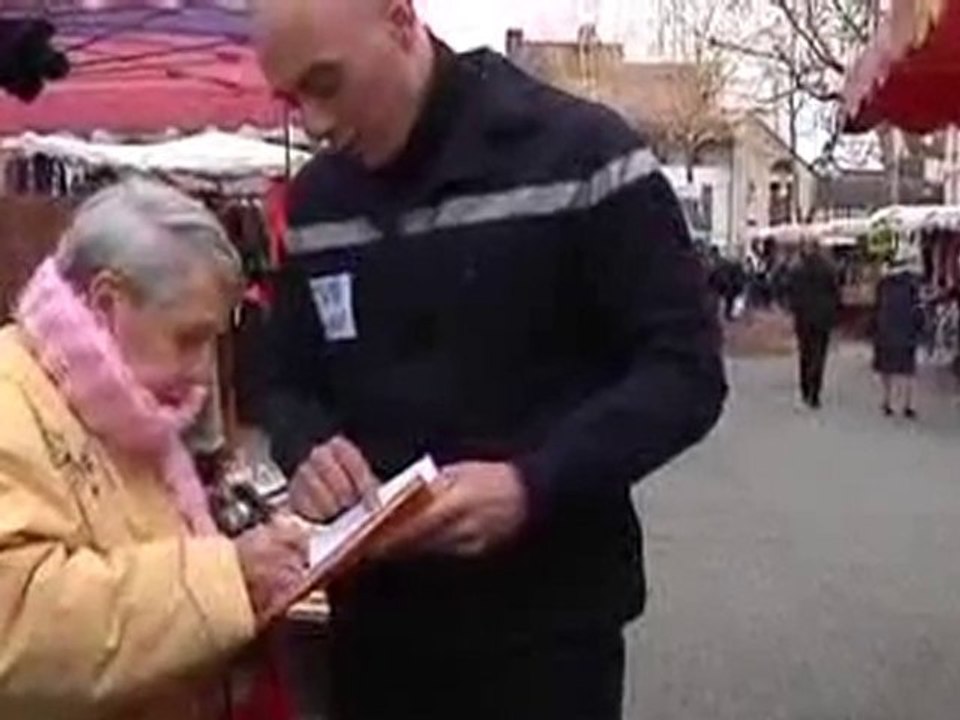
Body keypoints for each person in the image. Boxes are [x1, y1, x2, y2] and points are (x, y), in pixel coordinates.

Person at [252, 2, 727, 719]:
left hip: (546, 637)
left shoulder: (583, 154)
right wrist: (307, 447)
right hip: (375, 636)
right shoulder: (316, 202)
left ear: (399, 19)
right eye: (292, 100)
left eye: (325, 83)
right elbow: (285, 380)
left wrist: (532, 483)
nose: (314, 123)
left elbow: (685, 369)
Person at [0, 179, 308, 720]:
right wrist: (227, 579)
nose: (203, 373)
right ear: (106, 303)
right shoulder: (12, 400)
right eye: (188, 339)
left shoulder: (118, 406)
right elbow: (17, 629)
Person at [787, 240, 841, 409]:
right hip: (823, 317)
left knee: (805, 353)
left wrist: (794, 309)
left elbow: (791, 291)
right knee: (819, 354)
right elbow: (836, 292)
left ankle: (805, 389)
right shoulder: (829, 268)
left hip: (803, 316)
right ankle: (815, 392)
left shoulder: (797, 268)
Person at [873, 246, 923, 418]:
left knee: (887, 368)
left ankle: (887, 401)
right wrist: (919, 328)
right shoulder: (913, 285)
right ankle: (908, 404)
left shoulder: (883, 285)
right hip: (907, 331)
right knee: (908, 369)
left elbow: (877, 308)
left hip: (886, 330)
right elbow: (918, 311)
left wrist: (876, 327)